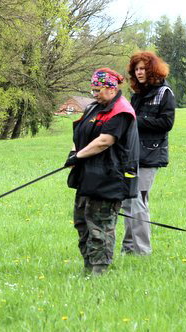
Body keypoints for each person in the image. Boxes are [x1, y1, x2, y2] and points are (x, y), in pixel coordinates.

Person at [64, 68, 139, 275]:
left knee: (100, 228)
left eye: (98, 89)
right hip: (87, 176)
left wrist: (79, 156)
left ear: (111, 88)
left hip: (109, 177)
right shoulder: (94, 108)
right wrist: (73, 153)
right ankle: (88, 268)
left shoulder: (121, 111)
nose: (94, 94)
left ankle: (100, 271)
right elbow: (78, 132)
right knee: (82, 223)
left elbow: (104, 141)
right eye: (92, 90)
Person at [121, 51, 176, 255]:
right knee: (128, 200)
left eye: (143, 68)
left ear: (152, 69)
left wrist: (137, 120)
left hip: (150, 156)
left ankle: (143, 251)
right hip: (131, 153)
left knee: (139, 201)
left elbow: (167, 123)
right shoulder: (137, 95)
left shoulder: (165, 93)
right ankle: (128, 249)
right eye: (136, 69)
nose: (139, 72)